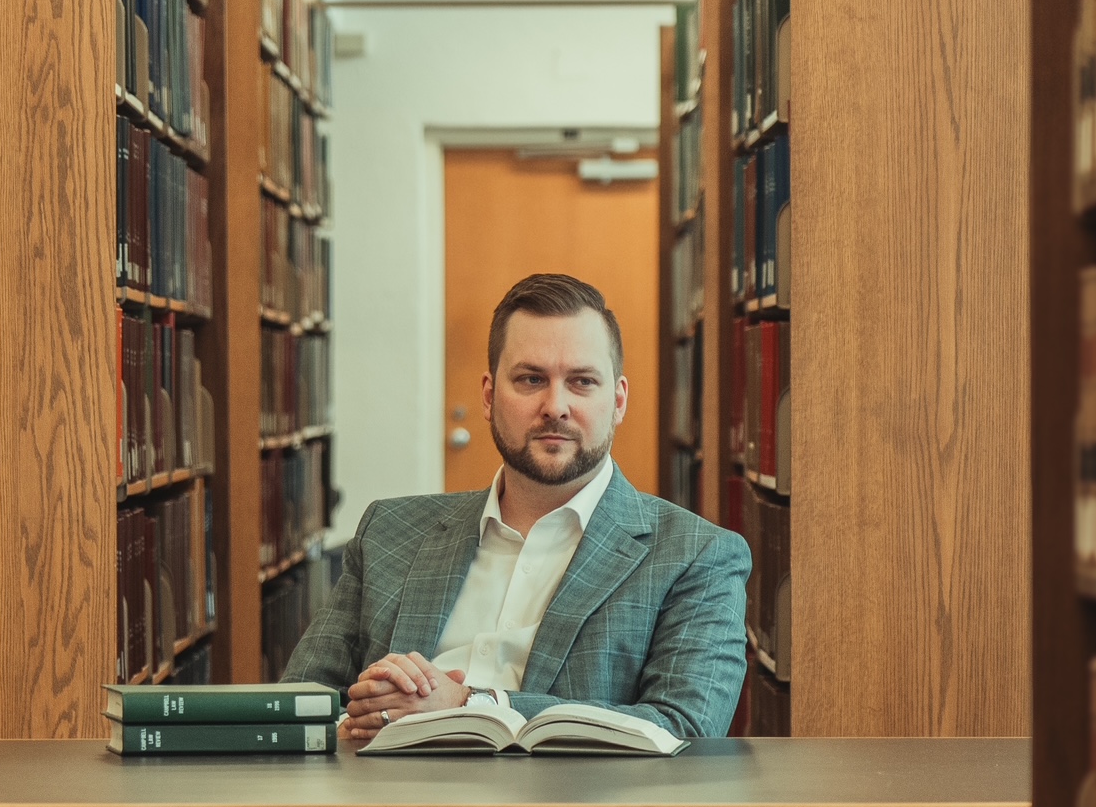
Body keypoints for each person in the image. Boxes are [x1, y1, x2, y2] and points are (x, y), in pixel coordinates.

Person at [283, 272, 751, 740]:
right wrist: (357, 718)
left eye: (582, 382)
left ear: (618, 400)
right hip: (394, 803)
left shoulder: (695, 555)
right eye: (531, 380)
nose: (555, 406)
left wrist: (470, 705)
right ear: (488, 397)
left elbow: (688, 729)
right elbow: (298, 701)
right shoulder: (389, 531)